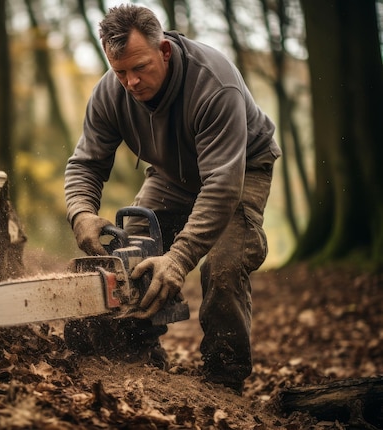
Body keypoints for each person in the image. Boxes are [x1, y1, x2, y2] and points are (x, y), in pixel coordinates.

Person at [64, 4, 281, 394]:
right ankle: (139, 352)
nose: (130, 82)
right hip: (171, 174)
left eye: (140, 68)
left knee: (224, 264)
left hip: (241, 170)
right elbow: (85, 164)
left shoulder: (215, 84)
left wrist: (178, 259)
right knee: (130, 249)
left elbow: (220, 186)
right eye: (120, 72)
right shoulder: (109, 93)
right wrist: (81, 212)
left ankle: (224, 377)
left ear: (164, 51)